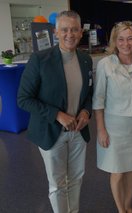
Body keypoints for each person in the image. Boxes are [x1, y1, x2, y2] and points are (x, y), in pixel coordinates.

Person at [17, 10, 93, 213]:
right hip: (51, 132)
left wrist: (86, 111)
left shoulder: (86, 60)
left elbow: (89, 93)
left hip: (78, 131)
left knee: (76, 178)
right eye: (65, 29)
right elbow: (23, 99)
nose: (70, 34)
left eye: (75, 29)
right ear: (55, 32)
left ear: (80, 32)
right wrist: (57, 115)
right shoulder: (40, 59)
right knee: (58, 184)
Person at [92, 21, 132, 213]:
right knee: (118, 171)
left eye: (130, 38)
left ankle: (128, 204)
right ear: (114, 41)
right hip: (114, 126)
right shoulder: (105, 64)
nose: (126, 43)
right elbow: (99, 100)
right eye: (121, 39)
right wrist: (101, 130)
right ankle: (121, 209)